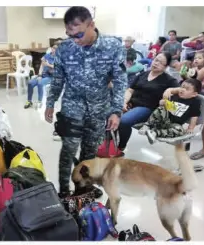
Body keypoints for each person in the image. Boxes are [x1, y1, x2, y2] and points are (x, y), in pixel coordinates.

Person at [44, 7, 127, 197]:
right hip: (72, 105)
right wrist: (50, 102)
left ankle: (83, 188)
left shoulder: (113, 47)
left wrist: (116, 111)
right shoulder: (65, 48)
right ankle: (64, 191)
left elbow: (120, 81)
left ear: (92, 25)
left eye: (79, 34)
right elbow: (58, 79)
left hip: (99, 108)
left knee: (89, 151)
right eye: (69, 34)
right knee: (69, 147)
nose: (75, 39)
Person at [113, 52, 179, 155]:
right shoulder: (143, 74)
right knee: (108, 114)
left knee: (124, 121)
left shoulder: (168, 80)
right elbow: (130, 90)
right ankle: (108, 144)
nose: (156, 63)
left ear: (165, 67)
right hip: (131, 104)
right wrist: (124, 102)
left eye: (161, 63)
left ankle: (120, 148)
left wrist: (171, 89)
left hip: (147, 108)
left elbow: (180, 90)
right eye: (156, 60)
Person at [139, 78, 201, 144]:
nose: (182, 90)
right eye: (182, 87)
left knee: (180, 131)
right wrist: (162, 102)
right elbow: (163, 104)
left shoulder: (195, 102)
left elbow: (194, 116)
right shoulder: (175, 96)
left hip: (174, 124)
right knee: (161, 109)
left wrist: (191, 128)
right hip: (164, 119)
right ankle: (147, 125)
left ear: (194, 94)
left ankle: (154, 133)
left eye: (187, 89)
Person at [24, 44, 58, 109]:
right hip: (43, 75)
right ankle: (29, 101)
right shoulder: (47, 56)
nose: (54, 50)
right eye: (53, 48)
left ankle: (40, 101)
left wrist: (48, 64)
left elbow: (57, 67)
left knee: (40, 83)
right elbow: (42, 66)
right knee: (30, 83)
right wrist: (39, 75)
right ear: (51, 48)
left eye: (56, 49)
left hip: (50, 77)